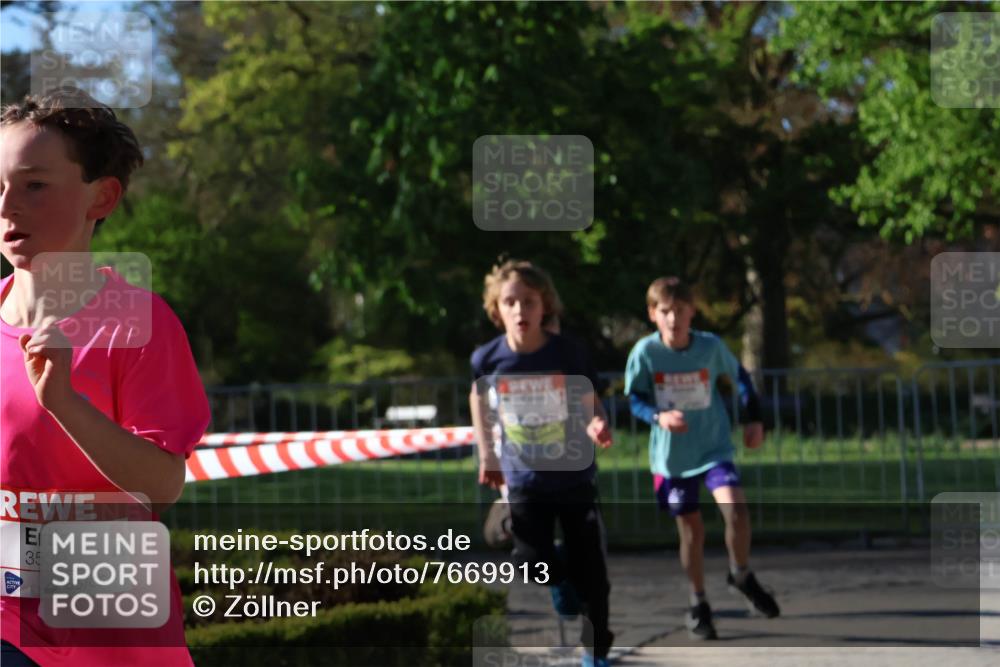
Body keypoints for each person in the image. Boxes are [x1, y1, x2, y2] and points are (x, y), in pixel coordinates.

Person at [0, 88, 209, 666]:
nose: (7, 205)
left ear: (102, 197)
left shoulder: (139, 324)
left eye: (34, 185)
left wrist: (64, 402)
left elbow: (162, 486)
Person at [470, 259, 614, 667]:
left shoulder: (567, 353)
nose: (520, 310)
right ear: (496, 309)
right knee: (530, 562)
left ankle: (597, 650)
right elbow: (478, 400)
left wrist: (597, 423)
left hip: (572, 475)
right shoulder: (487, 359)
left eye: (528, 302)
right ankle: (558, 578)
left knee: (593, 572)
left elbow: (590, 401)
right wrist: (488, 454)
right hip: (524, 478)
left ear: (543, 306)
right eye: (510, 302)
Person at [624, 276, 779, 641]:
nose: (674, 319)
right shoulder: (646, 353)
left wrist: (754, 417)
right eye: (665, 312)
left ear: (692, 311)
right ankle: (698, 602)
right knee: (691, 530)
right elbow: (634, 399)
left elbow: (739, 377)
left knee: (737, 511)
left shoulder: (709, 346)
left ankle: (740, 574)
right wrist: (658, 417)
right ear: (652, 315)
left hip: (713, 449)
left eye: (680, 311)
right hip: (671, 459)